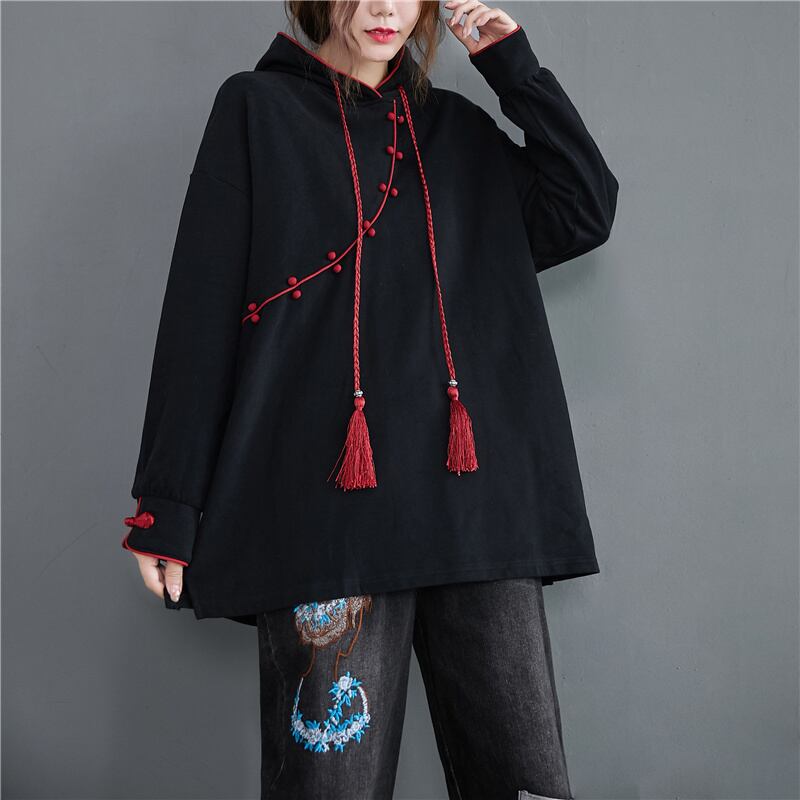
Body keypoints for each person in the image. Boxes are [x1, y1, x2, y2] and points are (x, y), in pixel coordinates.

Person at [120, 1, 619, 797]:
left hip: (477, 515)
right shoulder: (257, 110)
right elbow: (200, 309)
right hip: (326, 524)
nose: (386, 7)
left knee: (524, 783)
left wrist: (513, 68)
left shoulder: (456, 129)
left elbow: (583, 207)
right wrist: (168, 502)